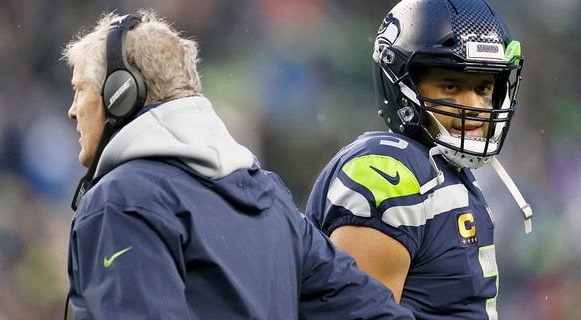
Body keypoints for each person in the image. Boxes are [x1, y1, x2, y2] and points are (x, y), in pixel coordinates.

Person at [61, 10, 415, 320]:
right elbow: (371, 311)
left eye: (79, 90)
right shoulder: (270, 196)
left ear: (121, 92)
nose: (73, 110)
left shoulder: (121, 201)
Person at [305, 0, 533, 319]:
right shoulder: (386, 170)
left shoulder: (447, 170)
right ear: (401, 84)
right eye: (450, 86)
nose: (475, 106)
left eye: (483, 87)